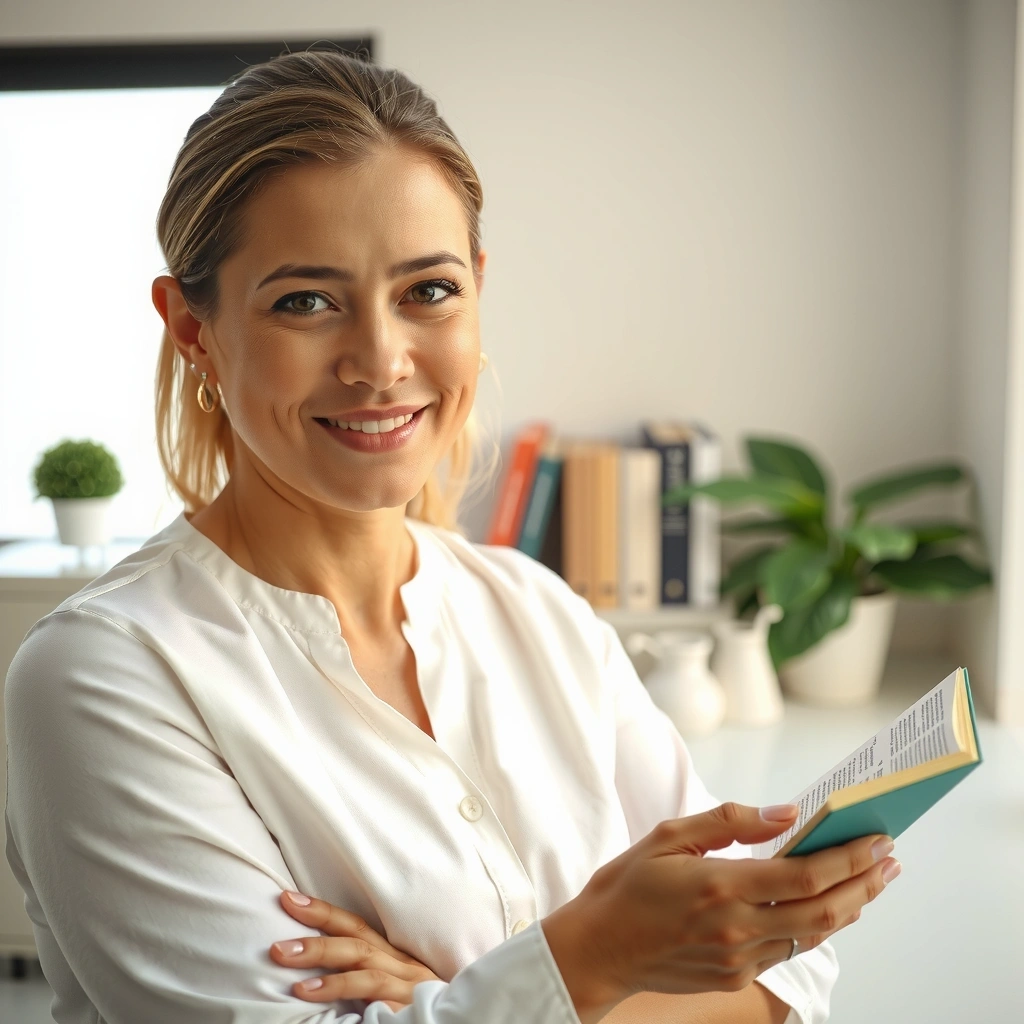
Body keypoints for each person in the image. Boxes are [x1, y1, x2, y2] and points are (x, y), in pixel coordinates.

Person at [3, 49, 898, 1024]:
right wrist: (593, 961)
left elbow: (782, 975)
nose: (381, 362)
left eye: (426, 290)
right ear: (191, 329)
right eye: (305, 300)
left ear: (476, 286)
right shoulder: (105, 673)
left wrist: (441, 997)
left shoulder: (537, 610)